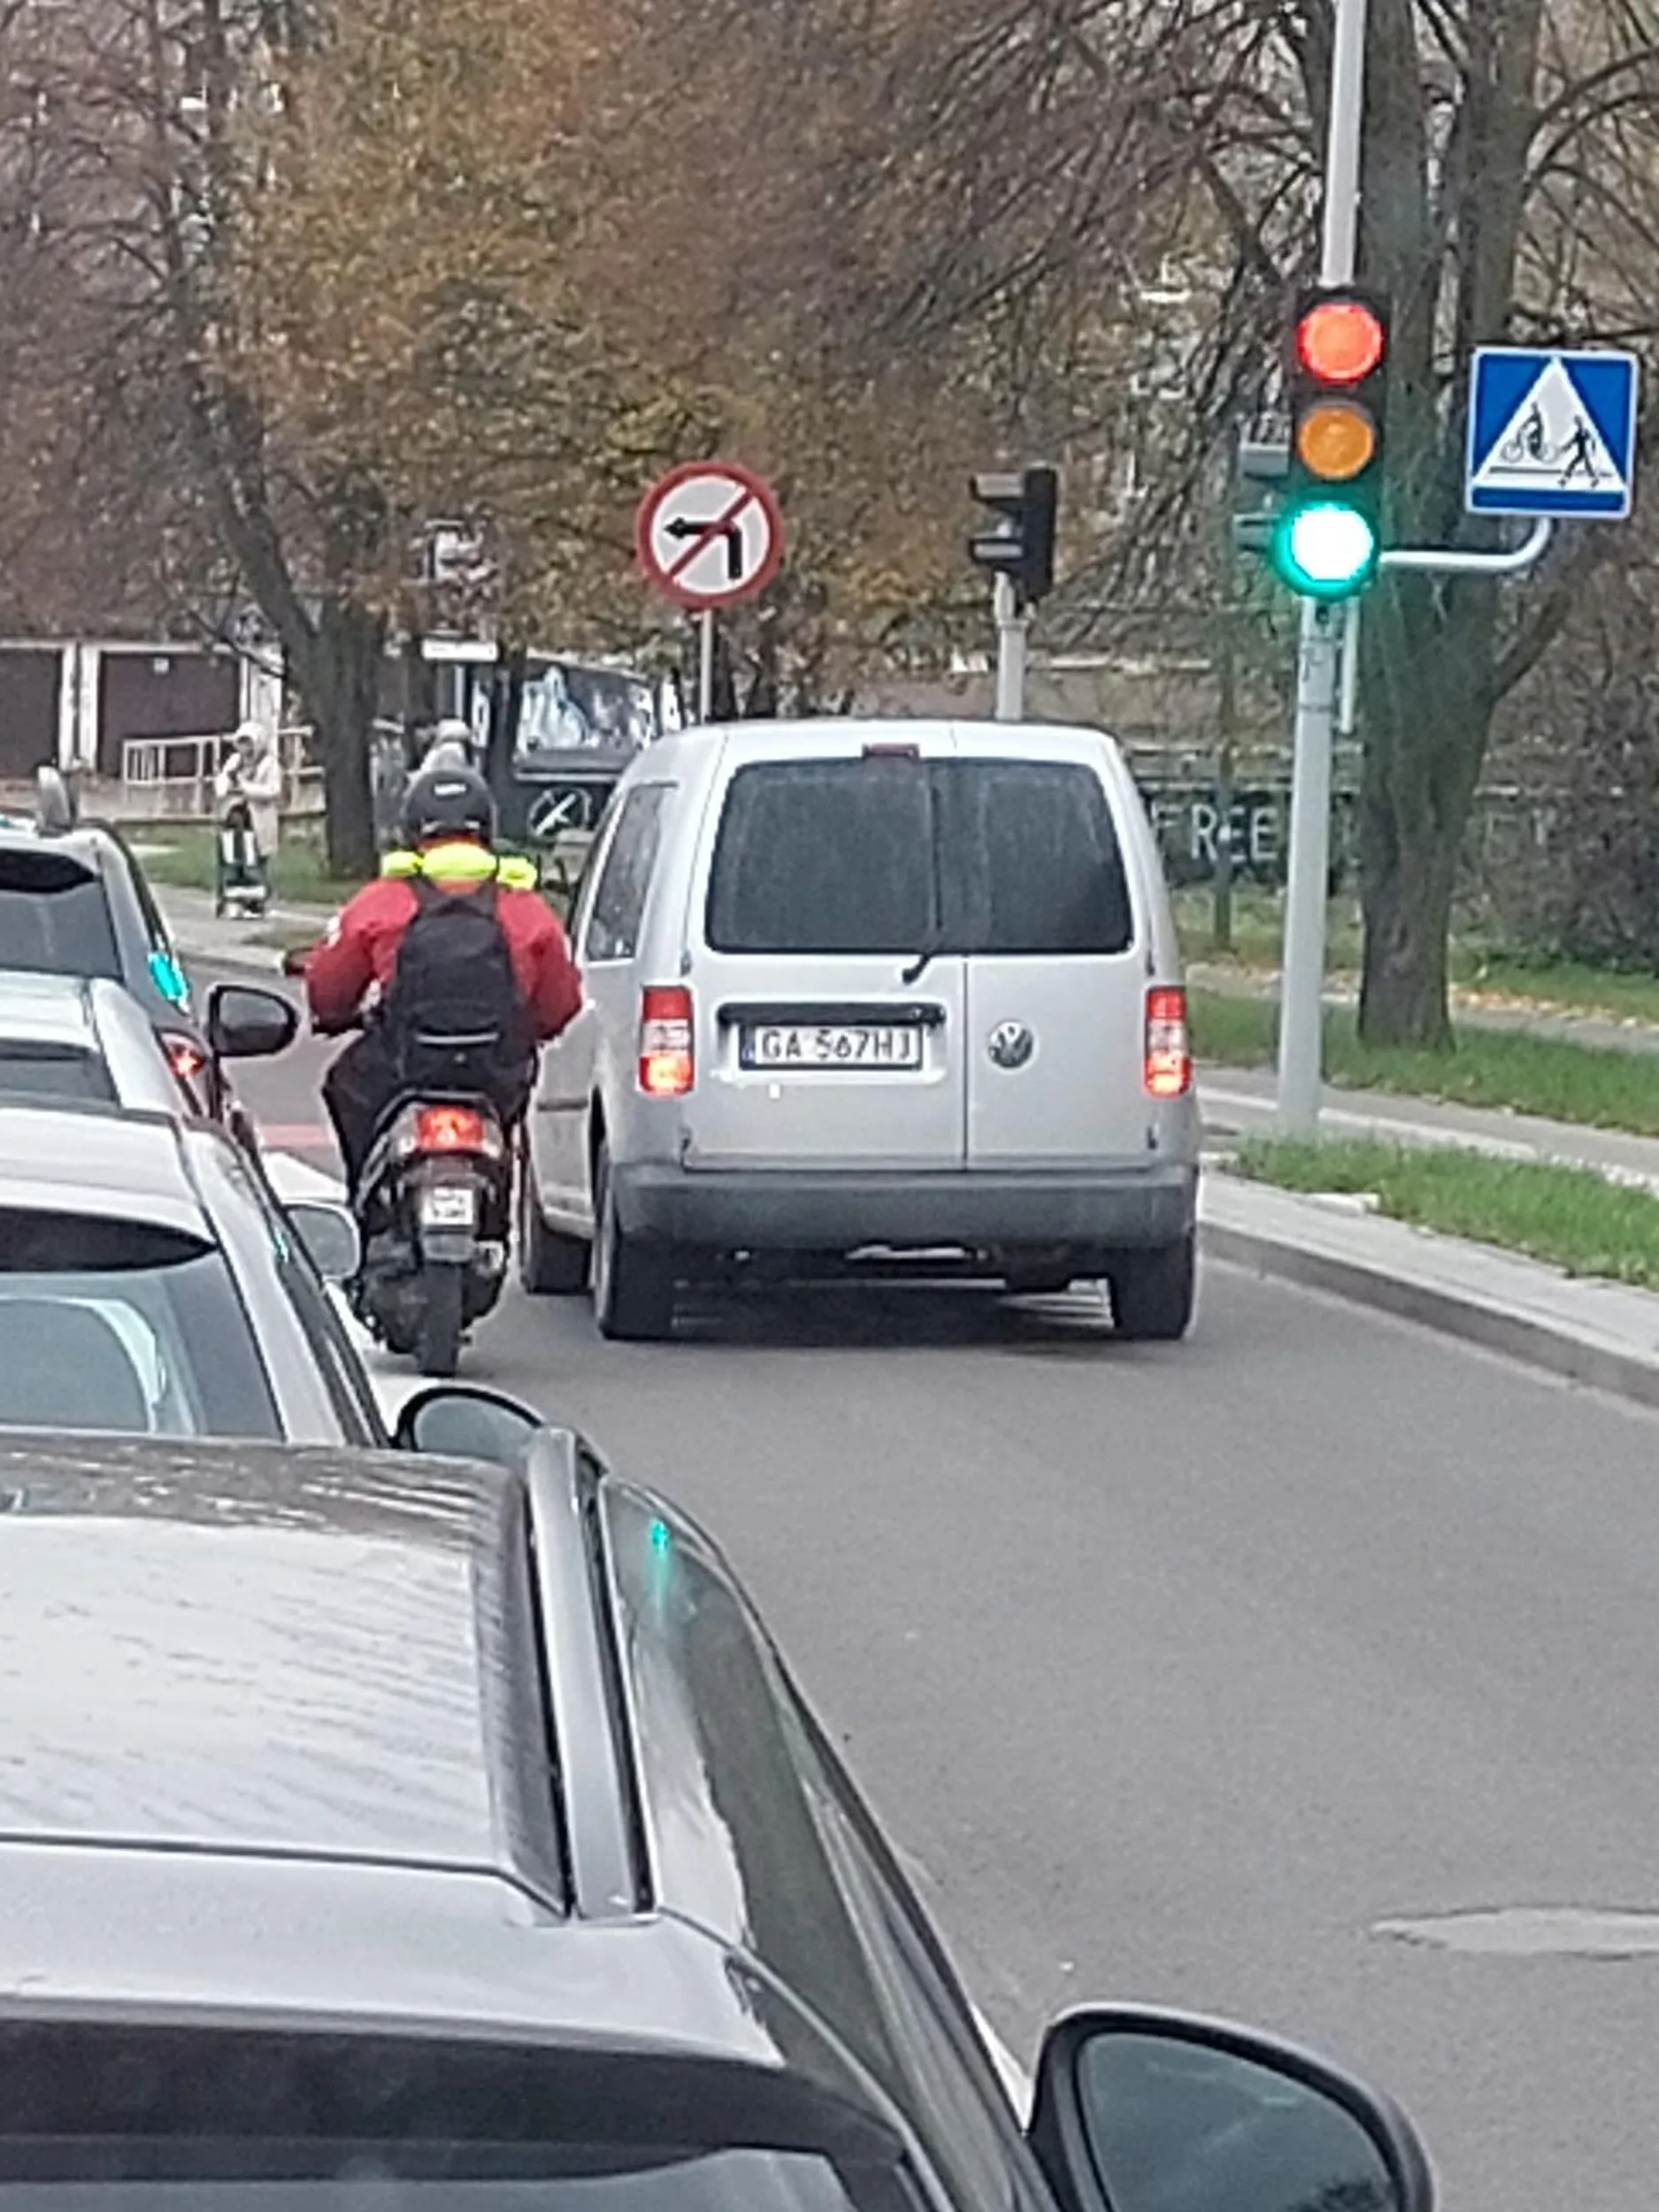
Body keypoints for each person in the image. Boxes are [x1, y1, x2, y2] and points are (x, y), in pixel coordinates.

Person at [303, 764, 582, 1190]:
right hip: (495, 1073)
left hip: (401, 1069)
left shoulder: (381, 902)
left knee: (344, 1087)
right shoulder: (525, 907)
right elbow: (561, 1004)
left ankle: (365, 1200)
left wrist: (335, 1013)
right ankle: (496, 1206)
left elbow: (329, 989)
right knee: (514, 1125)